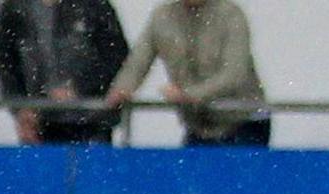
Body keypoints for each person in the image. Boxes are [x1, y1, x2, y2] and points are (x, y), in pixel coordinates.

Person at [107, 0, 268, 146]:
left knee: (238, 177)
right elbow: (138, 61)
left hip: (244, 122)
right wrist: (122, 89)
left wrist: (191, 95)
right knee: (190, 175)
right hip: (199, 125)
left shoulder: (231, 15)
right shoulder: (162, 18)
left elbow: (235, 73)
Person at [0, 0, 129, 144]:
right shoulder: (14, 8)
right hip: (39, 125)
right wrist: (20, 109)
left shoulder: (94, 5)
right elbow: (6, 66)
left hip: (92, 120)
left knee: (90, 164)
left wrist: (78, 88)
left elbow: (117, 58)